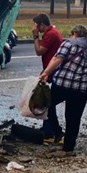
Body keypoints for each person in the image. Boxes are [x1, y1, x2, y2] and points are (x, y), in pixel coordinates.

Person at [39, 25, 87, 154]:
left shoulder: (68, 44)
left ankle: (57, 131)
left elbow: (57, 59)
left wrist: (46, 73)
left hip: (62, 84)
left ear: (74, 34)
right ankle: (68, 148)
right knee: (74, 118)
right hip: (82, 89)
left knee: (47, 104)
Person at [31, 13, 63, 143]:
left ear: (42, 25)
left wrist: (35, 36)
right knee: (47, 100)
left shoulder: (50, 35)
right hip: (50, 70)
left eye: (37, 26)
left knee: (47, 101)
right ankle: (47, 129)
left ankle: (51, 131)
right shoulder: (52, 32)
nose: (35, 28)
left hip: (51, 71)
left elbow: (39, 51)